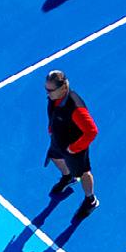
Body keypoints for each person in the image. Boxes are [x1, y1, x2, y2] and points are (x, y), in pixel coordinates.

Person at [45, 69, 98, 215]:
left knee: (83, 173)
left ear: (63, 88)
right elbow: (53, 114)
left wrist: (74, 148)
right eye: (46, 89)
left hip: (74, 146)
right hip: (59, 139)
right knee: (55, 157)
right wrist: (51, 129)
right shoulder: (54, 97)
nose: (47, 93)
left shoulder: (76, 108)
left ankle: (90, 200)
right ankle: (68, 177)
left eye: (50, 90)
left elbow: (92, 131)